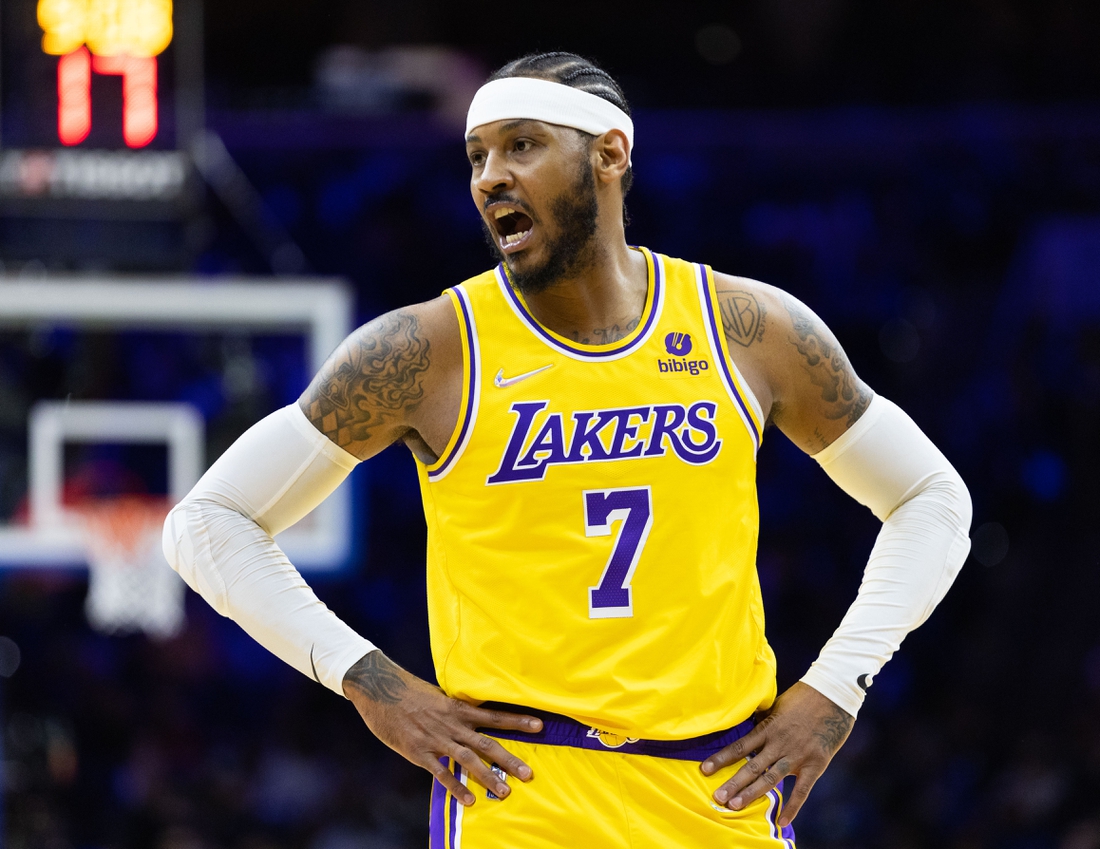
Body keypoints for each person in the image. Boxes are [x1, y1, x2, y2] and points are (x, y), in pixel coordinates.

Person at [163, 52, 972, 847]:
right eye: (477, 156)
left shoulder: (748, 329)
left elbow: (931, 497)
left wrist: (835, 688)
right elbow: (206, 522)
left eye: (521, 145)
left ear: (610, 155)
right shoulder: (429, 349)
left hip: (719, 792)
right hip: (521, 795)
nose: (489, 177)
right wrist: (371, 682)